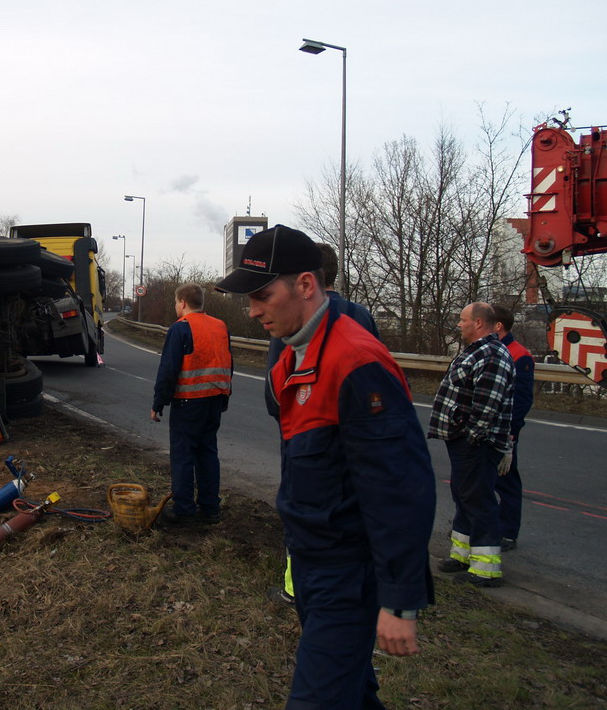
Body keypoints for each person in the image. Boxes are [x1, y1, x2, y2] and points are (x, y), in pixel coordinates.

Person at [216, 225, 436, 709]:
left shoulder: (356, 362)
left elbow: (399, 487)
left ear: (306, 285)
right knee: (352, 693)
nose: (252, 312)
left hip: (347, 572)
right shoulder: (293, 356)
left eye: (261, 296)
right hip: (311, 561)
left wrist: (399, 599)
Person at [266, 242, 380, 605]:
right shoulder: (361, 315)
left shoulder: (292, 318)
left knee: (303, 512)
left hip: (306, 437)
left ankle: (294, 586)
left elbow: (275, 391)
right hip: (359, 438)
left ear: (306, 279)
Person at [428, 302, 515, 587]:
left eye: (462, 320)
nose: (459, 324)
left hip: (477, 443)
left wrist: (471, 436)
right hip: (465, 441)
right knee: (464, 496)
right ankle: (463, 555)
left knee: (478, 501)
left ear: (479, 323)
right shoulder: (477, 351)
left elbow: (487, 405)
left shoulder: (490, 354)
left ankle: (486, 569)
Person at [151, 283, 233, 526]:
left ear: (183, 302)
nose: (176, 307)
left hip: (188, 402)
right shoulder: (220, 326)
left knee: (183, 455)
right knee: (207, 452)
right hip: (215, 399)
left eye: (176, 302)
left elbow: (168, 369)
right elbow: (229, 363)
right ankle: (210, 508)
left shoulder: (181, 329)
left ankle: (184, 510)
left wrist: (159, 402)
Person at [491, 304, 534, 552]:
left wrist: (510, 434)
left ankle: (507, 532)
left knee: (506, 481)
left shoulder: (519, 355)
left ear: (498, 326)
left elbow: (521, 400)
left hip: (504, 431)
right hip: (489, 429)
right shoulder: (491, 350)